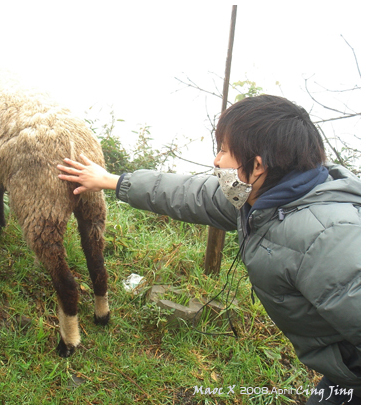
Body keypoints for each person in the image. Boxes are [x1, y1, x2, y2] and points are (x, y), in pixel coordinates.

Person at [57, 95, 361, 405]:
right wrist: (113, 181)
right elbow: (189, 194)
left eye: (225, 151)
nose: (216, 161)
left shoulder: (327, 240)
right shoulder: (262, 199)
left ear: (257, 165)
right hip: (343, 373)